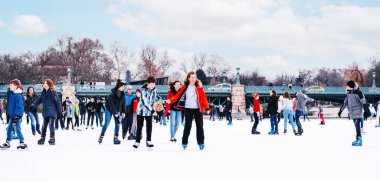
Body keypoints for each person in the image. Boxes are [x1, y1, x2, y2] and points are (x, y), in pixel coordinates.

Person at [166, 71, 210, 150]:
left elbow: (203, 97)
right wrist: (170, 100)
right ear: (189, 78)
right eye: (192, 77)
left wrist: (207, 107)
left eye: (194, 77)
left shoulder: (198, 87)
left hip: (197, 109)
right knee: (187, 126)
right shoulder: (184, 87)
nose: (193, 79)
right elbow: (177, 96)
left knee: (200, 126)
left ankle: (201, 142)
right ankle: (184, 142)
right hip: (188, 109)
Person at [133, 77, 164, 149]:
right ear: (147, 84)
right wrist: (152, 111)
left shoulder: (154, 90)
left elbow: (157, 97)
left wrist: (165, 101)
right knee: (139, 126)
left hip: (149, 112)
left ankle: (149, 141)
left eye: (154, 84)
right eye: (151, 84)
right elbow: (144, 102)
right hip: (141, 111)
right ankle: (137, 141)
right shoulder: (142, 90)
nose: (153, 85)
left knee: (149, 126)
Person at [31, 79, 62, 145]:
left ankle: (52, 139)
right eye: (44, 83)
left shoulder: (53, 93)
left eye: (46, 83)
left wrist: (59, 112)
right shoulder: (43, 93)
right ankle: (42, 138)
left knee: (51, 126)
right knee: (44, 126)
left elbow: (58, 103)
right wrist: (33, 105)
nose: (44, 84)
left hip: (52, 112)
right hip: (45, 112)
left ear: (49, 85)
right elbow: (38, 100)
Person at [338, 80, 369, 146]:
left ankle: (360, 140)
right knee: (356, 126)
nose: (346, 87)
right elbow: (345, 103)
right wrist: (340, 111)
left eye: (348, 86)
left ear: (351, 87)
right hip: (352, 112)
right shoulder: (348, 93)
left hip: (358, 111)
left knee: (357, 124)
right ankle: (358, 139)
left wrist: (366, 111)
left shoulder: (358, 93)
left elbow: (363, 102)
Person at [0, 79, 27, 149]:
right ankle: (7, 142)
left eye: (11, 85)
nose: (9, 86)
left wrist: (17, 115)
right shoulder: (12, 94)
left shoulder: (18, 95)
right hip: (12, 115)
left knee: (17, 128)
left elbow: (20, 106)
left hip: (16, 116)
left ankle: (22, 142)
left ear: (16, 86)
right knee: (9, 129)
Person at [98, 79, 126, 145]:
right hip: (109, 109)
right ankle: (101, 136)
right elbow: (111, 104)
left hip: (118, 109)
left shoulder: (123, 94)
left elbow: (123, 103)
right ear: (119, 87)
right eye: (122, 86)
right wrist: (115, 113)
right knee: (106, 123)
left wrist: (123, 112)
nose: (123, 88)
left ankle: (115, 138)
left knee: (117, 124)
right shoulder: (112, 94)